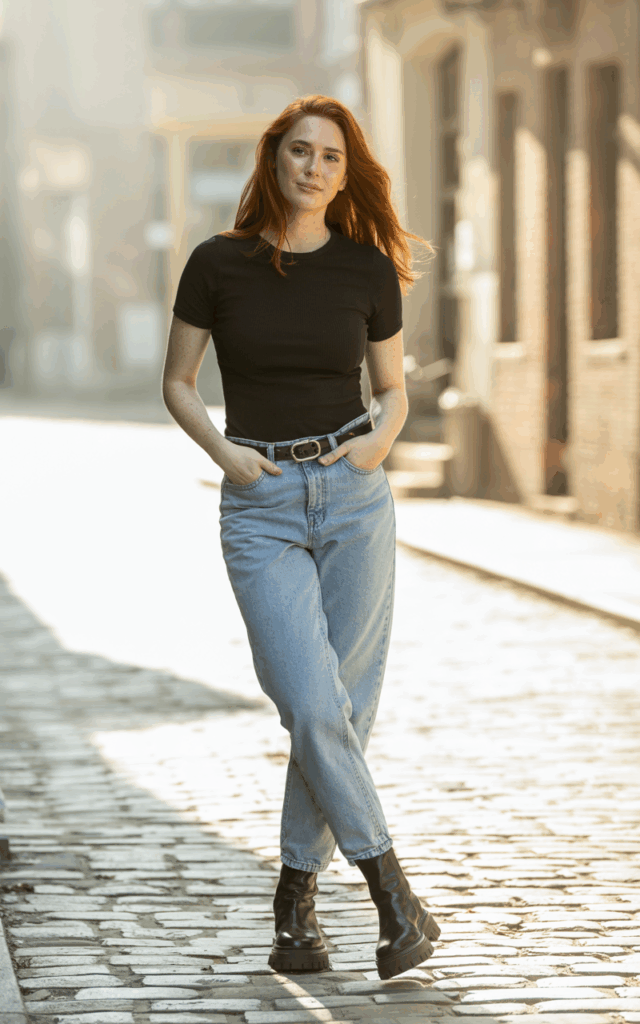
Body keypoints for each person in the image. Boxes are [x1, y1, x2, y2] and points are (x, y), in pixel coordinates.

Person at [162, 94, 439, 981]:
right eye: (299, 151)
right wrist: (227, 458)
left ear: (344, 173)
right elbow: (177, 381)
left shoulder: (366, 269)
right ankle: (392, 892)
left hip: (355, 498)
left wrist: (378, 440)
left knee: (344, 712)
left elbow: (393, 392)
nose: (314, 167)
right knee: (314, 707)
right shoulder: (218, 263)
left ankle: (294, 904)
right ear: (272, 158)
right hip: (262, 503)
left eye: (330, 157)